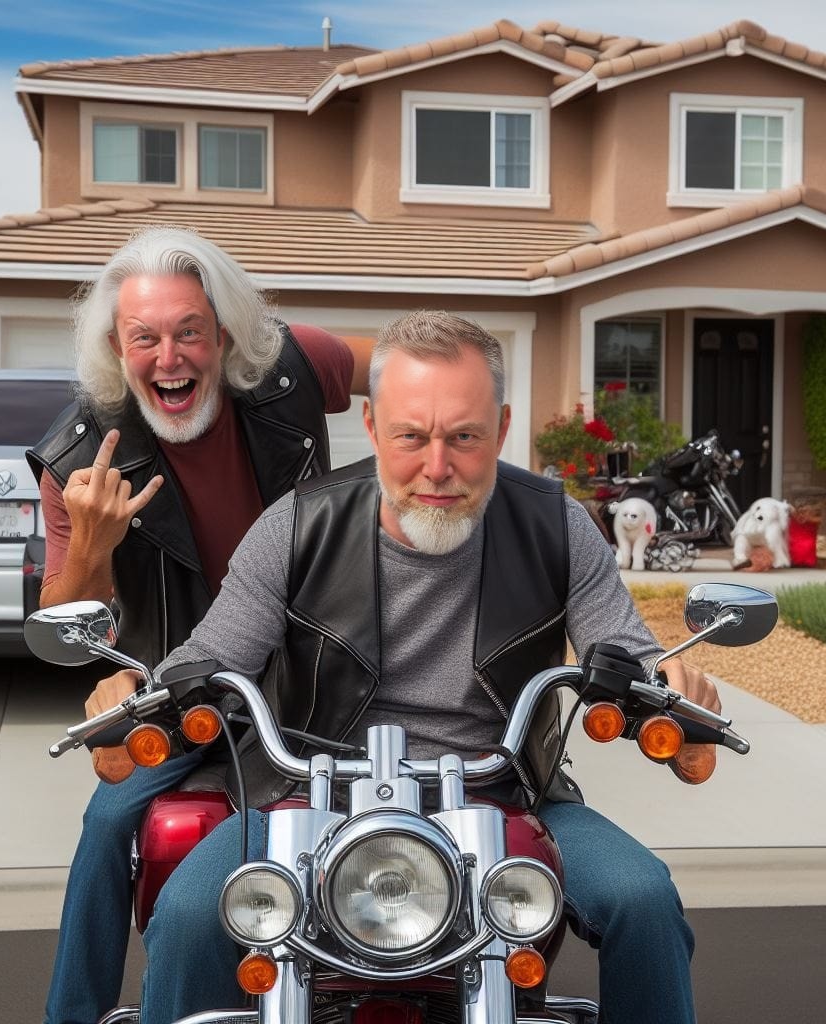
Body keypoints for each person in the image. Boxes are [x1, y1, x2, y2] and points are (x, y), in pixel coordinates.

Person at [89, 310, 721, 1024]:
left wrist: (675, 698)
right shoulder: (299, 525)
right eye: (412, 437)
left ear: (503, 429)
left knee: (645, 900)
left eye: (465, 437)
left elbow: (628, 654)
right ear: (373, 427)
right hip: (312, 797)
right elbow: (212, 656)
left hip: (506, 793)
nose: (438, 467)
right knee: (188, 913)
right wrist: (136, 695)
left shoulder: (556, 525)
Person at [26, 225, 371, 1024]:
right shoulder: (80, 458)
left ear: (225, 333)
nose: (169, 357)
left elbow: (415, 369)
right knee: (110, 824)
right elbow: (61, 624)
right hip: (184, 690)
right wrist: (96, 546)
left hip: (319, 678)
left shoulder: (291, 365)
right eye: (144, 337)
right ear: (118, 346)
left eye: (189, 331)